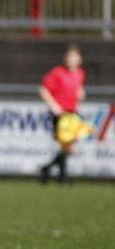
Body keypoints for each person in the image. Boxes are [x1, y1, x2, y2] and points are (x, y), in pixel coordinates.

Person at [38, 44, 87, 183]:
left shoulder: (80, 73)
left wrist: (81, 93)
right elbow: (43, 90)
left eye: (74, 57)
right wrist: (53, 106)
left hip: (73, 113)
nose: (70, 59)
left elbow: (78, 89)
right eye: (68, 56)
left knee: (67, 147)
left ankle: (54, 173)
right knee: (69, 147)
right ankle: (57, 174)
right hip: (61, 114)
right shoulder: (57, 72)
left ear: (79, 59)